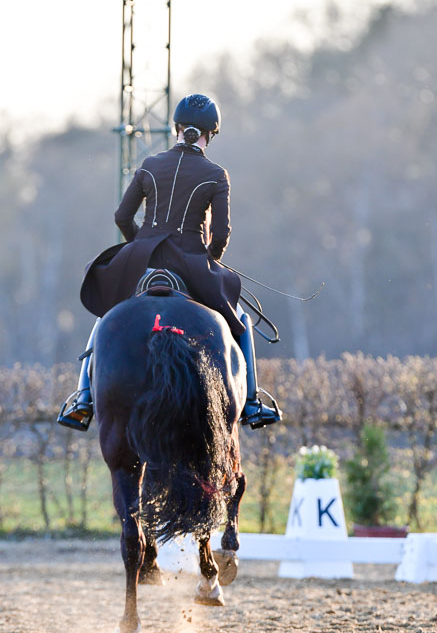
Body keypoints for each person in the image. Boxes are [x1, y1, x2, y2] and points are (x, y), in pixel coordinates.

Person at [57, 93, 282, 432]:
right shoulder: (216, 174)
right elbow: (221, 234)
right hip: (191, 262)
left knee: (108, 316)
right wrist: (210, 262)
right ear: (211, 134)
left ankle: (83, 397)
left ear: (177, 127)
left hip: (142, 259)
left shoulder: (149, 165)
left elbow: (122, 216)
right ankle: (251, 402)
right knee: (242, 322)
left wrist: (141, 245)